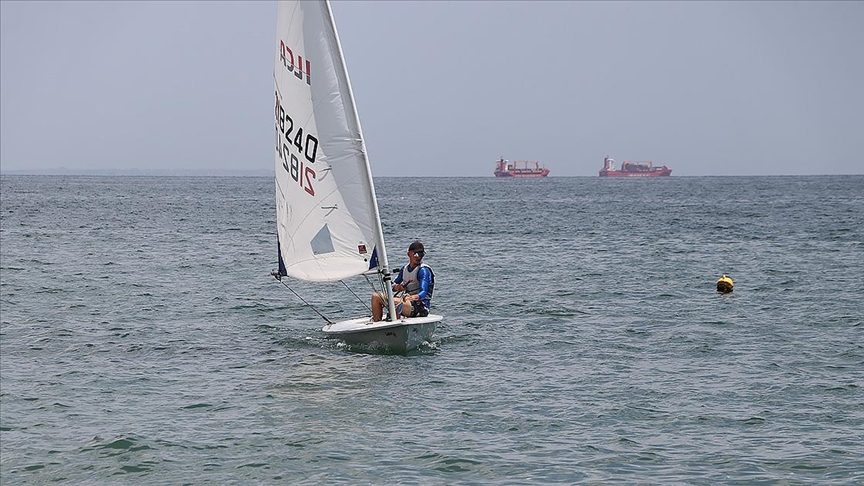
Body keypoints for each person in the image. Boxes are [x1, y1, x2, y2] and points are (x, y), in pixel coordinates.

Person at [371, 240, 435, 321]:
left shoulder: (423, 271)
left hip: (421, 307)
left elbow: (424, 292)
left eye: (421, 254)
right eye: (416, 254)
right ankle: (377, 322)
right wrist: (398, 287)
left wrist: (411, 297)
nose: (419, 257)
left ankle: (395, 324)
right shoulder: (404, 269)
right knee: (376, 296)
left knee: (396, 302)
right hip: (406, 302)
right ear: (409, 254)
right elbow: (392, 286)